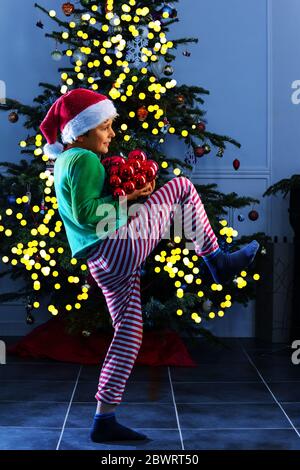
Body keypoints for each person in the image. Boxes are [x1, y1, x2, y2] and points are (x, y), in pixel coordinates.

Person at [40, 87, 260, 443]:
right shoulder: (82, 159)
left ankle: (104, 418)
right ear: (81, 131)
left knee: (129, 334)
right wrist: (129, 200)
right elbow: (87, 215)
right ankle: (216, 260)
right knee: (182, 188)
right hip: (114, 247)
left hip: (102, 262)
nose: (112, 134)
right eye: (106, 127)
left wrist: (125, 197)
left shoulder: (65, 160)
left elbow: (86, 210)